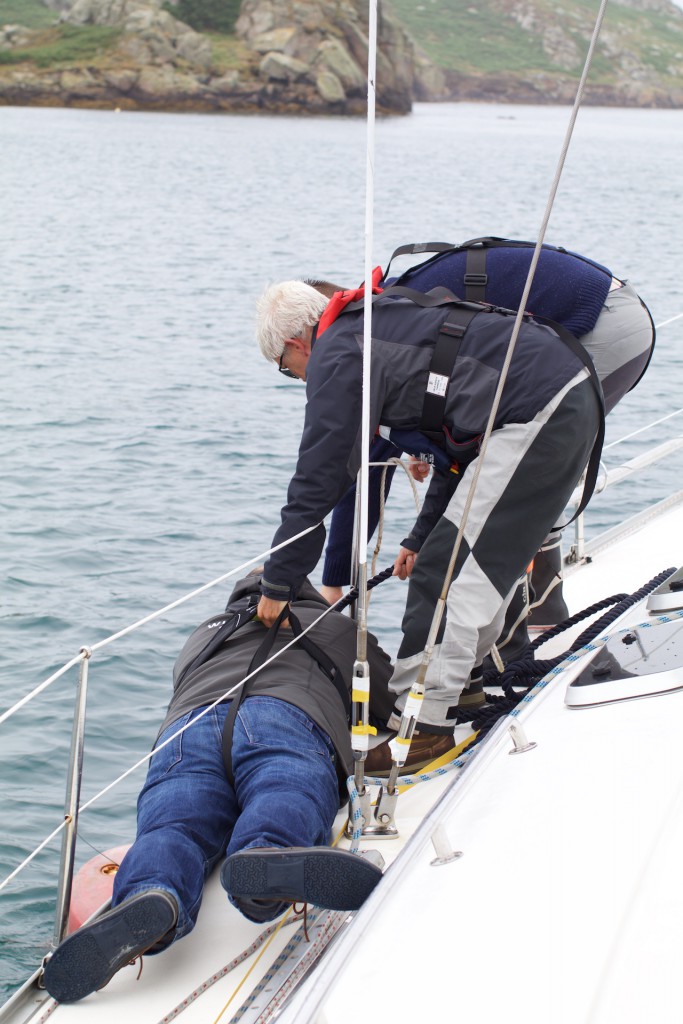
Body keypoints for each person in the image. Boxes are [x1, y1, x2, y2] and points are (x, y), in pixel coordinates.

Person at [254, 278, 603, 769]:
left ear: (295, 343)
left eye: (288, 372)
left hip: (538, 408)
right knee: (467, 560)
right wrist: (420, 535)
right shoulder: (382, 325)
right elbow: (457, 448)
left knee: (445, 573)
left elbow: (319, 478)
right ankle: (460, 692)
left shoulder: (337, 351)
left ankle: (420, 730)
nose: (297, 379)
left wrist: (279, 581)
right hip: (561, 396)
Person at [42, 571, 396, 1004]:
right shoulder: (335, 626)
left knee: (173, 827)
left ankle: (152, 890)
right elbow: (388, 702)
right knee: (285, 785)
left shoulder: (203, 632)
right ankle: (266, 850)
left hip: (188, 727)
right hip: (284, 712)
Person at [314, 240, 655, 626]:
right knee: (510, 473)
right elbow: (437, 417)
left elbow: (367, 462)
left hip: (600, 323)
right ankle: (536, 611)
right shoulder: (391, 309)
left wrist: (334, 582)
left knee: (518, 479)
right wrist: (420, 450)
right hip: (613, 310)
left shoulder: (387, 335)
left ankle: (531, 619)